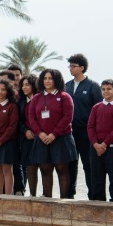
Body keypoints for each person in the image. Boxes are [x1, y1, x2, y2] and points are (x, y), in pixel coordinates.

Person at [26, 68, 78, 198]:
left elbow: (67, 117)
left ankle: (64, 200)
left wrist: (54, 134)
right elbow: (31, 117)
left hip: (61, 138)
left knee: (62, 168)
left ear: (57, 80)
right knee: (45, 168)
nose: (47, 81)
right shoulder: (37, 98)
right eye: (45, 78)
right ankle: (47, 199)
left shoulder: (64, 97)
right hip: (42, 138)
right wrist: (40, 133)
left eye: (50, 78)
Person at [65, 53, 100, 199]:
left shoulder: (93, 86)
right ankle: (69, 194)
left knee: (88, 164)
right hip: (68, 132)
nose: (70, 69)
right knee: (70, 164)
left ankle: (93, 194)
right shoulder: (67, 85)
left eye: (73, 66)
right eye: (70, 66)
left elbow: (98, 109)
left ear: (82, 68)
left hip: (86, 132)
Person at [86, 80, 113, 202]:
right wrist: (96, 144)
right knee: (96, 175)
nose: (106, 91)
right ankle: (98, 200)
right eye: (103, 89)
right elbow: (90, 126)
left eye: (109, 89)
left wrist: (104, 144)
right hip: (96, 148)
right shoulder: (96, 107)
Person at [17, 75, 39, 196]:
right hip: (26, 138)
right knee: (29, 167)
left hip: (40, 137)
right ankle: (32, 194)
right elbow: (19, 121)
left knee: (44, 166)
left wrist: (37, 132)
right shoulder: (21, 102)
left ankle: (46, 195)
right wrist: (25, 130)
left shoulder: (41, 99)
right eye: (23, 85)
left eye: (27, 85)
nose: (24, 87)